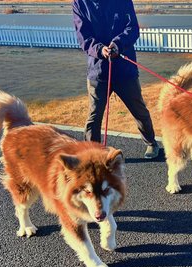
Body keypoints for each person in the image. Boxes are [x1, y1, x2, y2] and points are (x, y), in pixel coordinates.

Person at [72, 0, 160, 159]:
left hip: (124, 68)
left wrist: (118, 44)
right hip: (98, 70)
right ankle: (92, 153)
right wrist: (99, 49)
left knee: (138, 109)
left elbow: (132, 28)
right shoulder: (80, 3)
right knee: (94, 115)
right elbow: (83, 36)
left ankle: (151, 143)